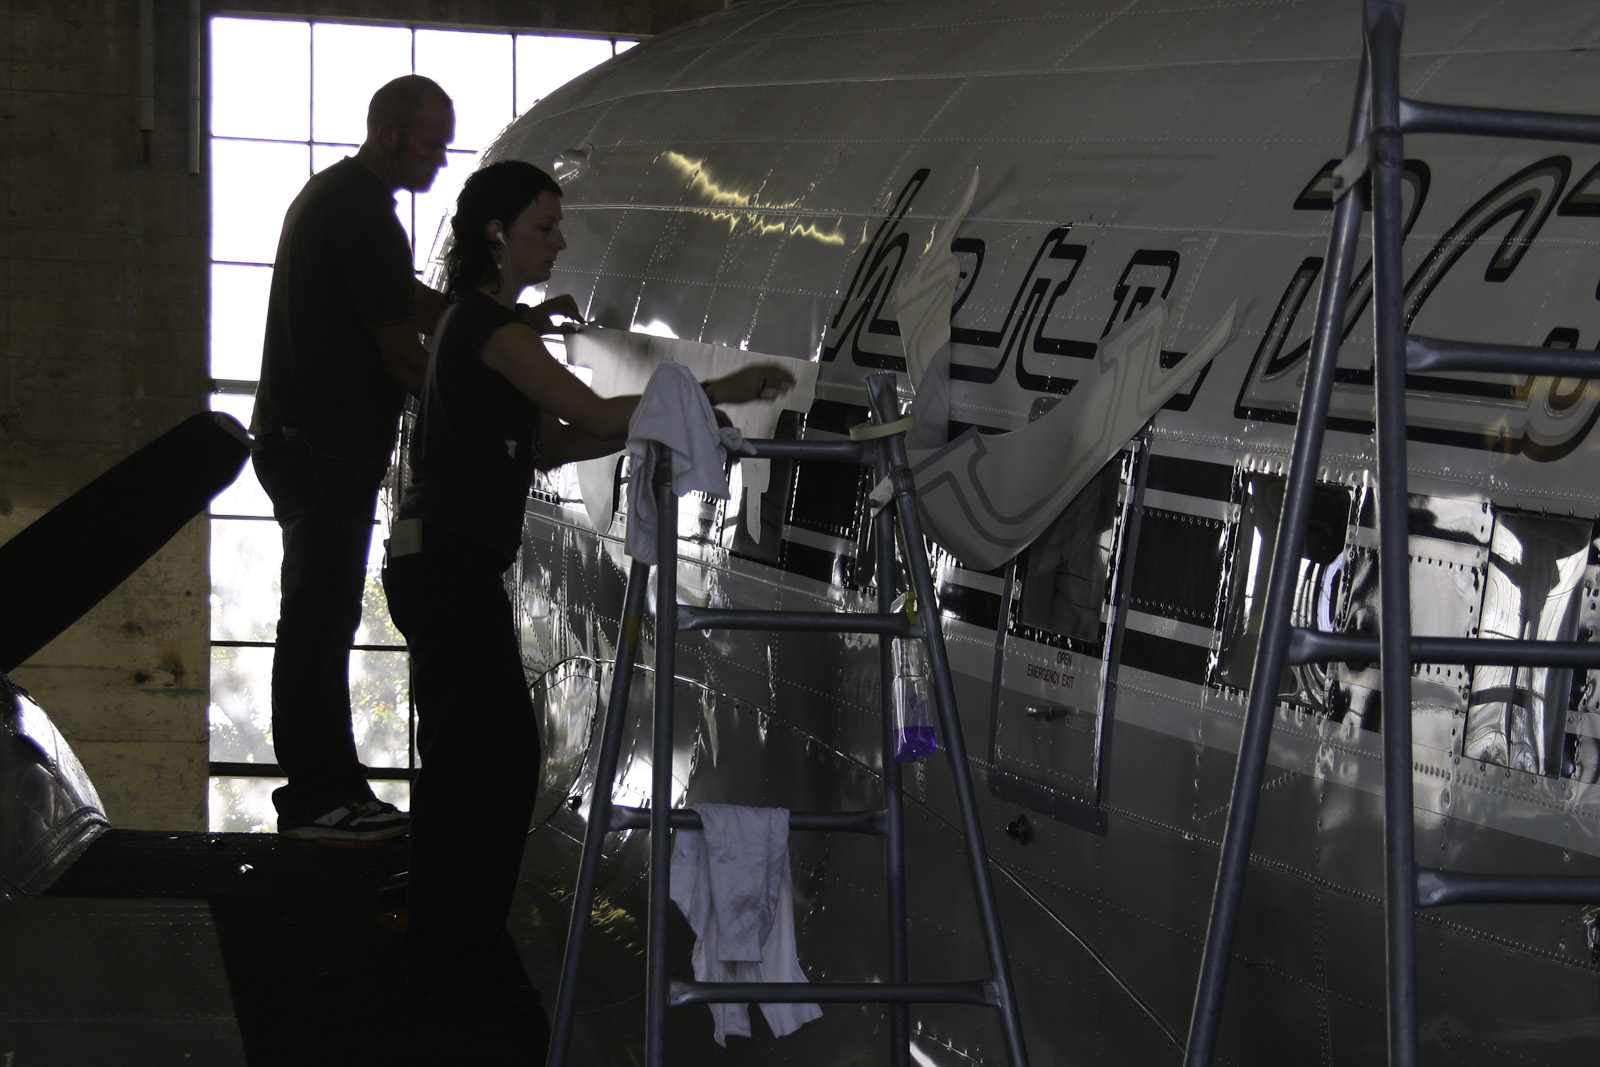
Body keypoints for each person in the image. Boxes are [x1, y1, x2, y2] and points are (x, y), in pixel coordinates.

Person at [381, 160, 793, 1012]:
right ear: (497, 234)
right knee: (486, 760)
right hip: (449, 570)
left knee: (487, 757)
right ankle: (452, 951)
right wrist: (710, 392)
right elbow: (597, 416)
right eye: (544, 226)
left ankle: (456, 940)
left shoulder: (481, 327)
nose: (558, 242)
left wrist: (652, 420)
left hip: (449, 569)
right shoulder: (493, 329)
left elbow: (552, 442)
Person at [250, 74, 455, 843]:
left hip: (306, 446)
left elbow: (396, 294)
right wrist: (493, 387)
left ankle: (330, 788)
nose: (439, 160)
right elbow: (405, 357)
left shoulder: (338, 198)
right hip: (321, 450)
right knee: (316, 625)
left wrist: (482, 321)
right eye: (430, 143)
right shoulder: (364, 212)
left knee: (319, 621)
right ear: (390, 132)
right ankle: (319, 798)